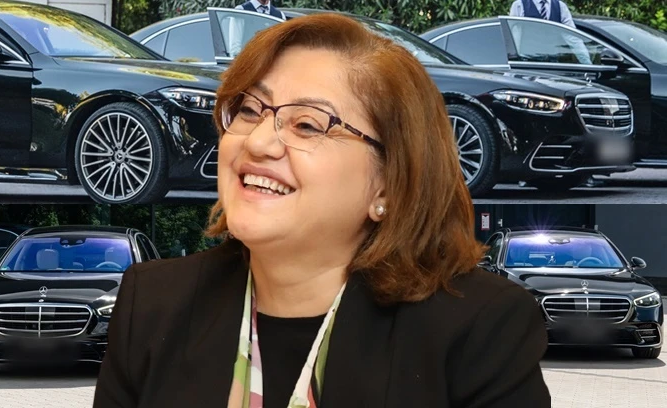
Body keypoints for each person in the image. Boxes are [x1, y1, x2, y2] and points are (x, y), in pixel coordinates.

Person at [94, 13, 551, 408]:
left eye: (308, 124)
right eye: (250, 110)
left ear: (389, 184)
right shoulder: (152, 305)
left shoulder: (481, 327)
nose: (258, 142)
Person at [509, 0, 592, 64]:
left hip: (552, 65)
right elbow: (514, 37)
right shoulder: (519, 5)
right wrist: (513, 62)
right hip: (528, 64)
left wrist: (587, 64)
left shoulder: (560, 6)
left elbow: (573, 38)